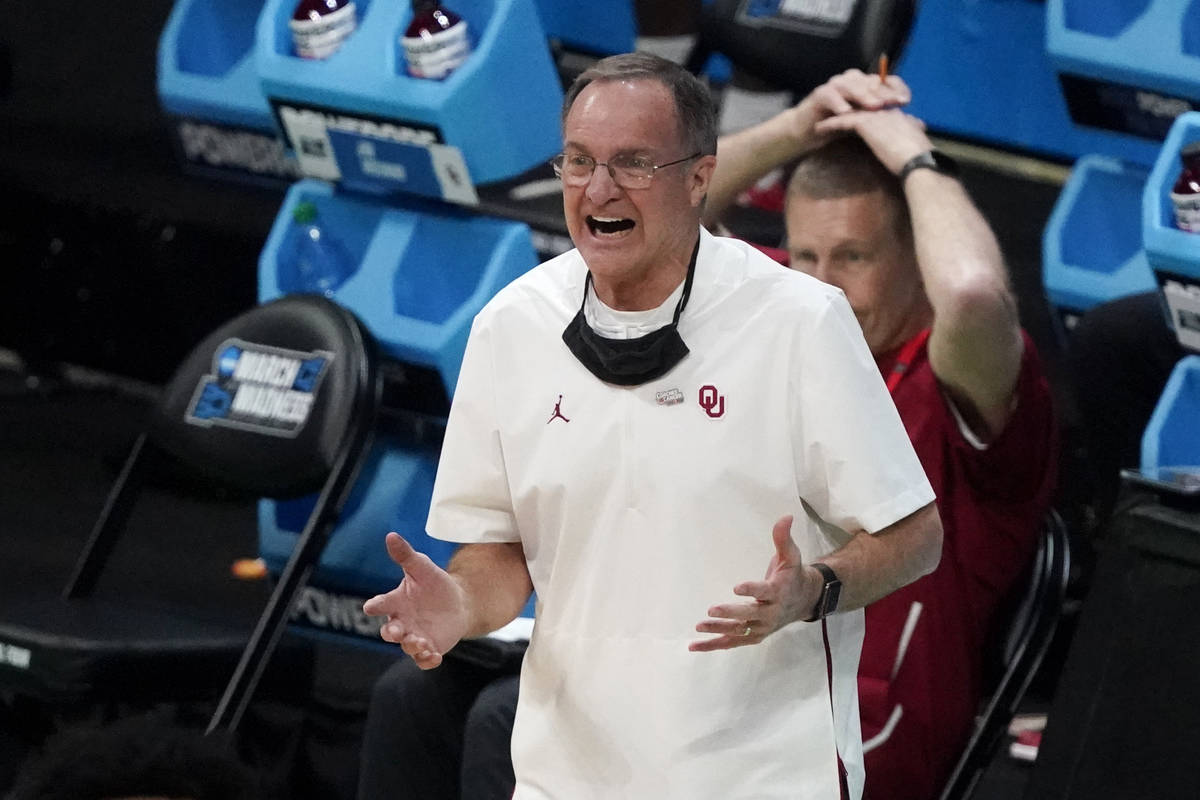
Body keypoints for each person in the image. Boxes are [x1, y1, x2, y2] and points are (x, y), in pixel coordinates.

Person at [363, 53, 942, 800]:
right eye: (579, 161)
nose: (598, 190)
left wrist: (815, 591)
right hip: (566, 772)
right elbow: (504, 553)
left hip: (762, 774)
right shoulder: (511, 326)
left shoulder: (800, 322)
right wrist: (463, 604)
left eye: (633, 164)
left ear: (699, 177)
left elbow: (916, 537)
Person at [704, 69, 1060, 799]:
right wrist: (800, 123)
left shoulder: (959, 380)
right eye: (807, 256)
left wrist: (913, 159)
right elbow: (652, 217)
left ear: (913, 259)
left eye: (855, 258)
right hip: (727, 694)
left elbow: (971, 290)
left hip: (854, 742)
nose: (824, 284)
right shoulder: (790, 309)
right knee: (463, 709)